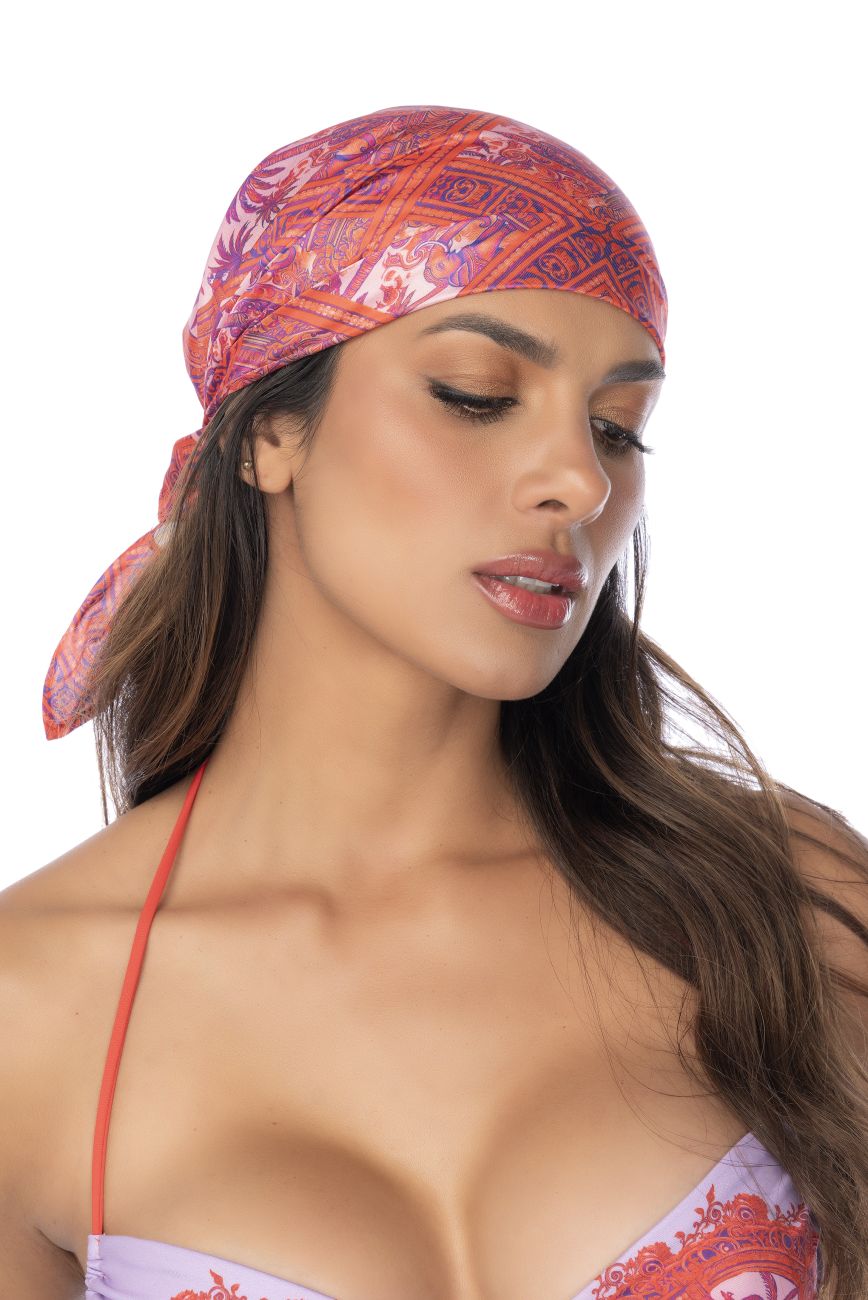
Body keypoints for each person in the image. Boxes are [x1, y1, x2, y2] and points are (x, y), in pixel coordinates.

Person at [1, 104, 865, 1300]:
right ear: (270, 434)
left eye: (616, 429)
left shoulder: (787, 909)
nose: (577, 480)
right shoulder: (26, 1014)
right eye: (475, 393)